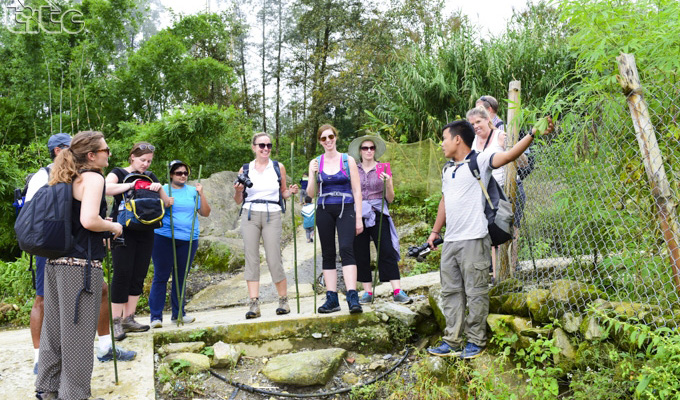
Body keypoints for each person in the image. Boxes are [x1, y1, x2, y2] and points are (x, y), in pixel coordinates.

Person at [426, 118, 550, 359]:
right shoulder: (447, 169)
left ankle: (476, 340)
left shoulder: (479, 160)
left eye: (444, 139)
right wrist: (435, 231)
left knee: (476, 292)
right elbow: (444, 200)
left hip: (475, 239)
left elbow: (508, 156)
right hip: (450, 241)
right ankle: (452, 340)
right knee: (451, 292)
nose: (442, 144)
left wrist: (533, 134)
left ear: (458, 139)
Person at [26, 134, 135, 376]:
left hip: (63, 255)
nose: (109, 152)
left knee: (95, 295)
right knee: (62, 318)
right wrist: (111, 226)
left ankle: (49, 383)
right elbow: (83, 219)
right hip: (66, 255)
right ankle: (54, 374)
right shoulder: (58, 176)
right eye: (106, 148)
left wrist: (97, 225)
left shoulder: (68, 176)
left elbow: (76, 216)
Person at [105, 142, 172, 339]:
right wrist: (131, 185)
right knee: (122, 273)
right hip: (122, 229)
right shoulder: (118, 172)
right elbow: (106, 188)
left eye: (149, 161)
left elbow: (167, 202)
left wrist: (159, 189)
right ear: (132, 157)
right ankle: (116, 321)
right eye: (142, 160)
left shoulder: (150, 176)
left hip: (146, 229)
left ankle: (129, 318)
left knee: (138, 273)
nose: (146, 164)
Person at [233, 132, 298, 319]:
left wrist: (290, 192)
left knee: (273, 257)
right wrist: (237, 191)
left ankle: (283, 300)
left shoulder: (278, 167)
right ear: (254, 147)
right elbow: (238, 200)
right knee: (251, 257)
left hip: (272, 213)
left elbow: (283, 193)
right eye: (261, 145)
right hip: (250, 213)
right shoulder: (245, 169)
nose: (266, 149)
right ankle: (254, 304)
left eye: (269, 145)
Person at [347, 135, 411, 304]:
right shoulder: (353, 169)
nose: (368, 151)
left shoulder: (383, 168)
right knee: (360, 252)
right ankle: (367, 291)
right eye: (365, 148)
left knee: (386, 249)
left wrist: (388, 183)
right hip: (359, 211)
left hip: (378, 210)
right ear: (360, 151)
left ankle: (397, 289)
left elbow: (390, 198)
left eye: (371, 148)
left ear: (375, 151)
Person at [307, 124, 364, 314]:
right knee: (328, 252)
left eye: (330, 136)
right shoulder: (316, 162)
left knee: (347, 249)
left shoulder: (348, 161)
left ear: (335, 137)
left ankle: (352, 295)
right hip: (324, 209)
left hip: (345, 207)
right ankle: (332, 298)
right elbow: (311, 193)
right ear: (320, 142)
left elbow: (357, 190)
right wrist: (313, 175)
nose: (328, 141)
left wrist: (358, 218)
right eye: (323, 138)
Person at [149, 160, 211, 328]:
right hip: (164, 237)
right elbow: (154, 211)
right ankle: (156, 317)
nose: (183, 176)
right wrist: (165, 201)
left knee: (181, 277)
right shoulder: (163, 189)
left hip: (188, 239)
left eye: (185, 173)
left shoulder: (193, 191)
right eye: (178, 173)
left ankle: (179, 314)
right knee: (161, 276)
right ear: (171, 174)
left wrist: (201, 194)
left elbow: (205, 212)